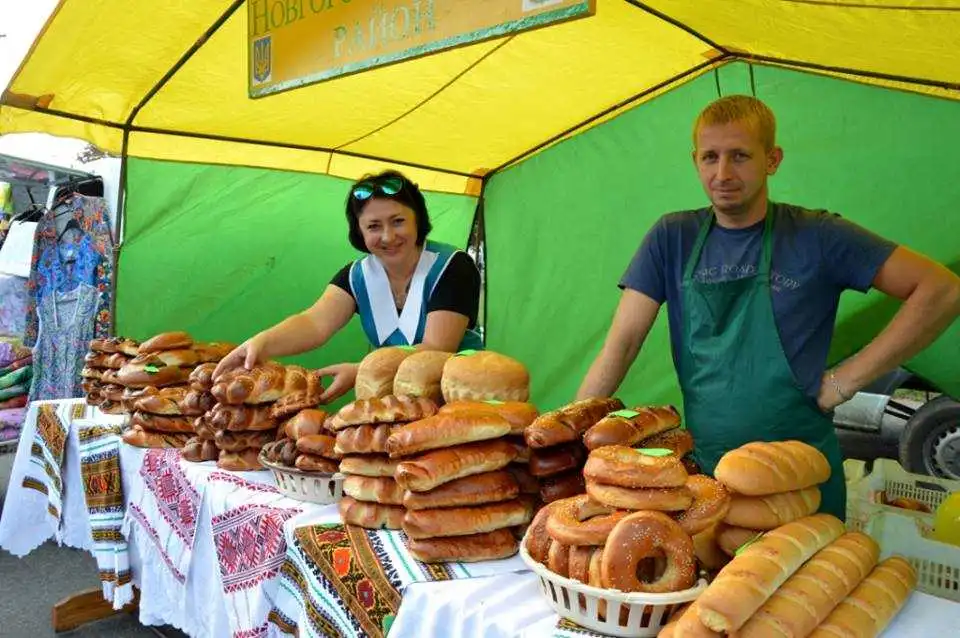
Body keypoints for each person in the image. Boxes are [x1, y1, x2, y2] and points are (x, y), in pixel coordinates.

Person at [576, 95, 960, 520]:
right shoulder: (672, 238)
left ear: (772, 159)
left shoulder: (817, 235)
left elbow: (941, 290)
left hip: (804, 481)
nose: (723, 173)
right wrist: (570, 439)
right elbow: (622, 344)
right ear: (695, 160)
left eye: (739, 156)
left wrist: (846, 380)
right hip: (708, 482)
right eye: (710, 157)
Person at [214, 170, 483, 402]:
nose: (388, 236)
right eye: (374, 226)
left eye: (398, 221)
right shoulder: (357, 276)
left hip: (462, 399)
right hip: (397, 404)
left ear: (418, 220)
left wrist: (361, 372)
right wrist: (261, 344)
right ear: (360, 232)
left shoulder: (452, 266)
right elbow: (314, 323)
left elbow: (437, 347)